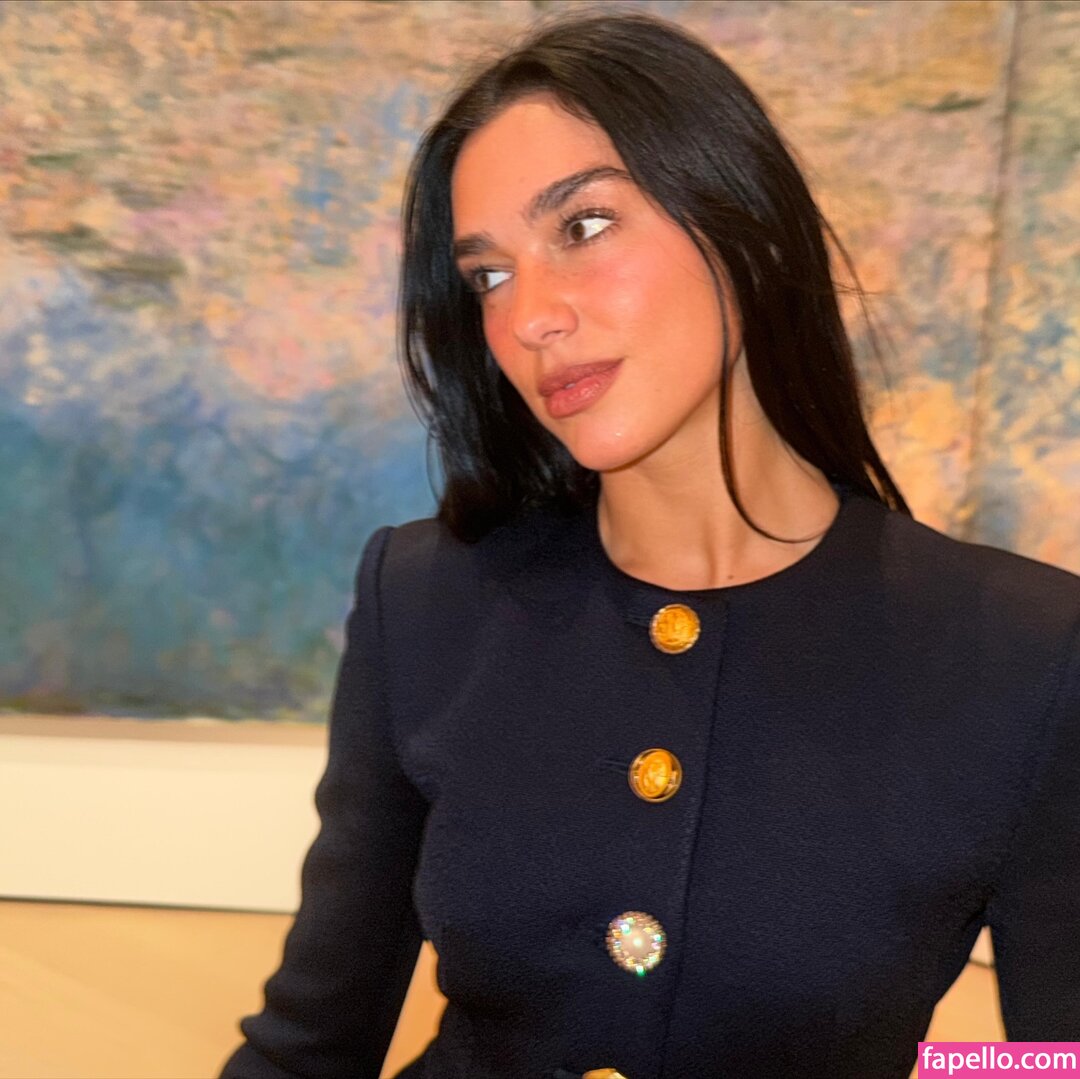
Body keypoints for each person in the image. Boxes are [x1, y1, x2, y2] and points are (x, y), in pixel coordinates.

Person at [220, 11, 1080, 1079]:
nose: (530, 316)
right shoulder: (425, 598)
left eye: (583, 226)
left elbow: (1057, 1059)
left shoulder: (1029, 654)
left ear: (751, 229)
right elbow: (306, 1046)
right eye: (489, 275)